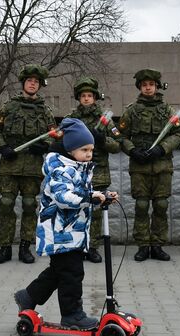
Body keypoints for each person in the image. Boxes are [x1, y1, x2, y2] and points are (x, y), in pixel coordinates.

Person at [13, 118, 115, 329]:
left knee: (58, 272)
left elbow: (83, 193)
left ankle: (29, 296)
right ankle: (72, 315)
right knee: (71, 273)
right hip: (59, 232)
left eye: (91, 149)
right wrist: (91, 197)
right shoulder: (60, 169)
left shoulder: (79, 167)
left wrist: (101, 194)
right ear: (70, 149)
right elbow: (64, 197)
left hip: (71, 231)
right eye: (84, 149)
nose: (89, 154)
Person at [0, 64, 56, 264]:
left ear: (39, 85)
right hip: (10, 164)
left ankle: (25, 247)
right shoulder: (9, 107)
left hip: (32, 167)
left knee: (29, 206)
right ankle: (4, 248)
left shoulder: (45, 111)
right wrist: (2, 147)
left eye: (36, 82)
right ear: (23, 83)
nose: (32, 84)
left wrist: (45, 146)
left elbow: (55, 135)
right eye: (29, 81)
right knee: (6, 204)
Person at [118, 68, 180, 262]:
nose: (148, 88)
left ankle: (157, 244)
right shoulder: (132, 111)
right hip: (140, 166)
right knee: (141, 205)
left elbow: (179, 134)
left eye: (151, 85)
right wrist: (132, 150)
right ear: (140, 87)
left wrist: (161, 149)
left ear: (157, 86)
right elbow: (119, 135)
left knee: (161, 205)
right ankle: (143, 245)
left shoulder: (167, 110)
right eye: (144, 85)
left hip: (162, 164)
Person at [64, 76, 121, 263]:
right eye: (83, 96)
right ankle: (77, 246)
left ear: (95, 98)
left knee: (96, 211)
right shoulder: (71, 119)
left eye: (90, 95)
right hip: (76, 172)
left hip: (98, 171)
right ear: (78, 98)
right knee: (76, 209)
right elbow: (59, 143)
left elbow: (117, 145)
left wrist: (102, 140)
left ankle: (93, 247)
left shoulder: (104, 120)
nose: (86, 99)